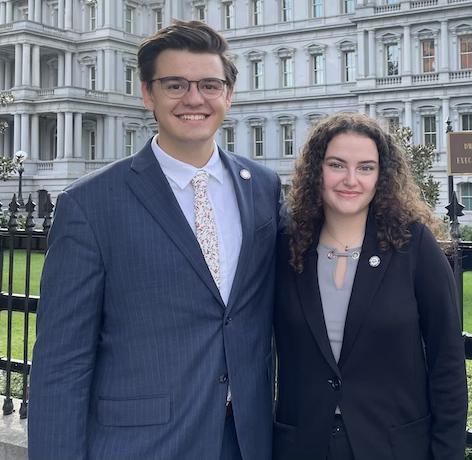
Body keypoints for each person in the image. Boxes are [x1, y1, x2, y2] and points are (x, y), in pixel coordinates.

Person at [28, 20, 282, 460]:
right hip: (142, 445)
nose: (194, 99)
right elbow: (61, 363)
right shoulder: (90, 204)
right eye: (175, 85)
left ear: (229, 94)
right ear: (147, 93)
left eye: (209, 84)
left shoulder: (262, 186)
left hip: (245, 440)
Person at [274, 113, 467, 460]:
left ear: (382, 176)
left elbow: (447, 361)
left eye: (365, 167)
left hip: (393, 446)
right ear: (317, 170)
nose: (351, 179)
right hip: (302, 446)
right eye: (337, 165)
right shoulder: (287, 248)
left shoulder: (414, 247)